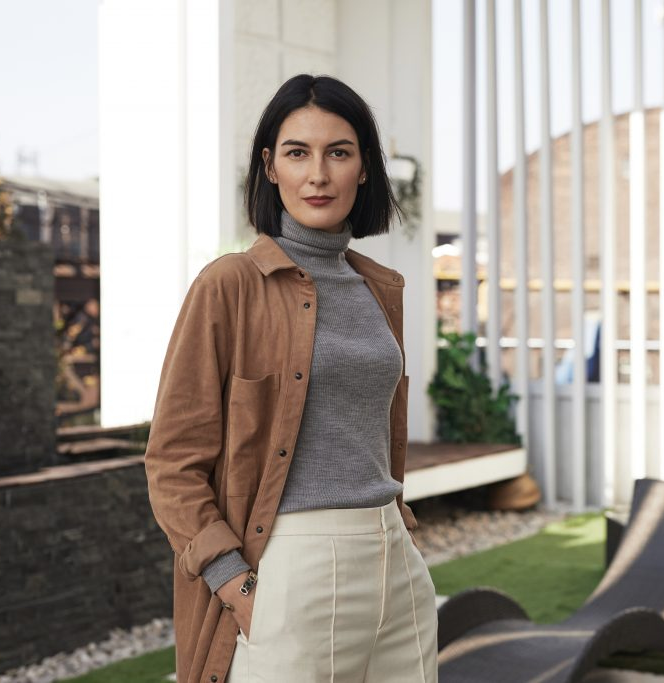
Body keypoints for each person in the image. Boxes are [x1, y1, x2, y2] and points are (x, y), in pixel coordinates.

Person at [144, 73, 438, 683]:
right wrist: (233, 581)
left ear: (364, 168)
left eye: (339, 152)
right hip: (293, 570)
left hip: (394, 563)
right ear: (270, 167)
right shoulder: (230, 285)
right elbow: (172, 459)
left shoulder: (377, 289)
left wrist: (401, 534)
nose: (318, 174)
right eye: (297, 152)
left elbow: (371, 434)